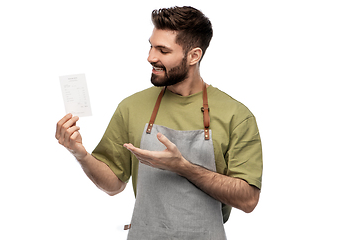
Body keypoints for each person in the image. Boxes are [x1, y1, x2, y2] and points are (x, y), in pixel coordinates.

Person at [56, 6, 263, 239]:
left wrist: (183, 167)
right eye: (151, 46)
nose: (150, 57)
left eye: (163, 50)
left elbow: (248, 199)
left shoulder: (235, 115)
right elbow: (113, 184)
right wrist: (80, 153)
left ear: (194, 56)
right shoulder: (131, 107)